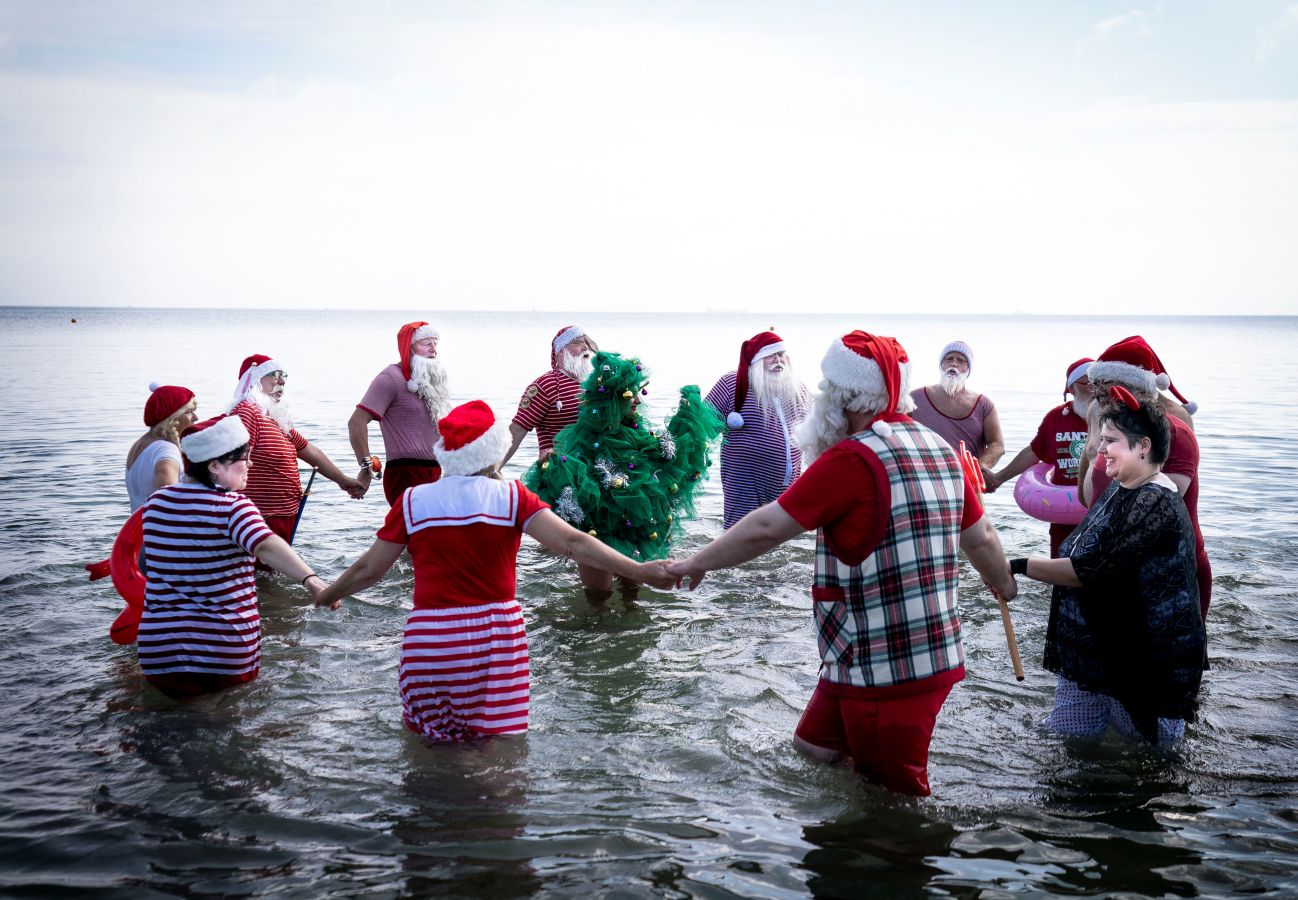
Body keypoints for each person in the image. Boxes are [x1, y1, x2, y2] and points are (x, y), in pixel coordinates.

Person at [666, 331, 1017, 796]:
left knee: (892, 798)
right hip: (885, 654)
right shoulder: (939, 448)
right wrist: (1003, 583)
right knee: (814, 749)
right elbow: (982, 536)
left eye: (827, 390)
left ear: (845, 398)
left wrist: (697, 562)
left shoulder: (851, 459)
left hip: (889, 666)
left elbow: (767, 527)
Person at [314, 400, 677, 742]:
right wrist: (639, 570)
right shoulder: (513, 497)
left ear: (446, 454)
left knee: (429, 742)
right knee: (498, 746)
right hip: (495, 636)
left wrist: (327, 594)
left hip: (431, 639)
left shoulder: (412, 501)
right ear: (494, 451)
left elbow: (368, 569)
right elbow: (573, 543)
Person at [1007, 387, 1204, 745]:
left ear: (1143, 447)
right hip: (1101, 647)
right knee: (1069, 744)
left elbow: (1089, 570)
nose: (1100, 449)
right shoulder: (1124, 485)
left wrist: (1017, 566)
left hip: (1143, 657)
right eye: (1100, 438)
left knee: (1153, 756)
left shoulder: (1154, 500)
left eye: (1110, 440)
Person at [136, 414, 336, 699]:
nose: (250, 464)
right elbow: (265, 545)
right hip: (221, 649)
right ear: (214, 466)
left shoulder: (156, 503)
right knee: (229, 716)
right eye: (244, 457)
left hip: (160, 649)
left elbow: (147, 564)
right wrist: (313, 581)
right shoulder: (232, 507)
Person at [525, 350, 725, 604]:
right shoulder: (584, 438)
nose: (638, 401)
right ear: (612, 397)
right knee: (597, 597)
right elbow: (578, 477)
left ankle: (630, 619)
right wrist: (554, 463)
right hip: (599, 531)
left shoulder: (636, 432)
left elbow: (665, 460)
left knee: (633, 596)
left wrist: (686, 419)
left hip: (634, 530)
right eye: (631, 394)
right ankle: (598, 625)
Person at [1079, 335, 1210, 621]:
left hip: (1170, 563)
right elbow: (1091, 499)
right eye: (1095, 383)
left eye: (1107, 383)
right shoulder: (1104, 419)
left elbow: (1156, 511)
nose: (1097, 392)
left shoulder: (1174, 429)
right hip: (1114, 561)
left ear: (1137, 387)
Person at [230, 354, 366, 543]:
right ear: (255, 379)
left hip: (283, 515)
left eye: (283, 376)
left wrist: (343, 481)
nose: (282, 382)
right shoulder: (247, 412)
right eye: (275, 375)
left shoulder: (276, 421)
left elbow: (312, 453)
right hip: (258, 517)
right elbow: (233, 462)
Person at [704, 329, 812, 529]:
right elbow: (702, 425)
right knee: (739, 535)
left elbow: (815, 429)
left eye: (781, 355)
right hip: (745, 481)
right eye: (770, 356)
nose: (778, 361)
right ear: (756, 361)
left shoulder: (799, 389)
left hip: (788, 484)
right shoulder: (733, 383)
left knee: (776, 538)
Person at [986, 358, 1094, 557]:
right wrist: (998, 478)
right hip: (1064, 516)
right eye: (1087, 383)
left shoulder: (1112, 418)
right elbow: (1034, 452)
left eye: (1098, 382)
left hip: (1102, 513)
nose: (1094, 389)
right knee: (1060, 569)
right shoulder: (1055, 418)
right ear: (1072, 388)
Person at [349, 321, 449, 505]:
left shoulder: (428, 383)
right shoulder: (390, 378)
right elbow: (356, 422)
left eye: (435, 344)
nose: (433, 349)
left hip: (434, 471)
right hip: (405, 473)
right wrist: (366, 467)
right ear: (408, 348)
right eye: (426, 344)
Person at [500, 325, 598, 468]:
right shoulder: (545, 385)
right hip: (560, 470)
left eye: (587, 344)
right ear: (560, 351)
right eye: (577, 343)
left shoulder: (594, 384)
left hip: (595, 469)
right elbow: (518, 429)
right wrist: (492, 469)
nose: (585, 348)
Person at [909, 340, 1005, 476]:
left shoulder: (983, 404)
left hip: (966, 480)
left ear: (968, 369)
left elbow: (997, 444)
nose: (954, 364)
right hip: (923, 476)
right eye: (949, 359)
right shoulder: (914, 398)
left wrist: (979, 467)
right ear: (941, 365)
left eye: (961, 360)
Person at [125, 383, 198, 511]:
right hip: (157, 523)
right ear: (172, 417)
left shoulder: (140, 444)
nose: (196, 418)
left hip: (141, 522)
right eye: (189, 412)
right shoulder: (165, 450)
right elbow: (169, 503)